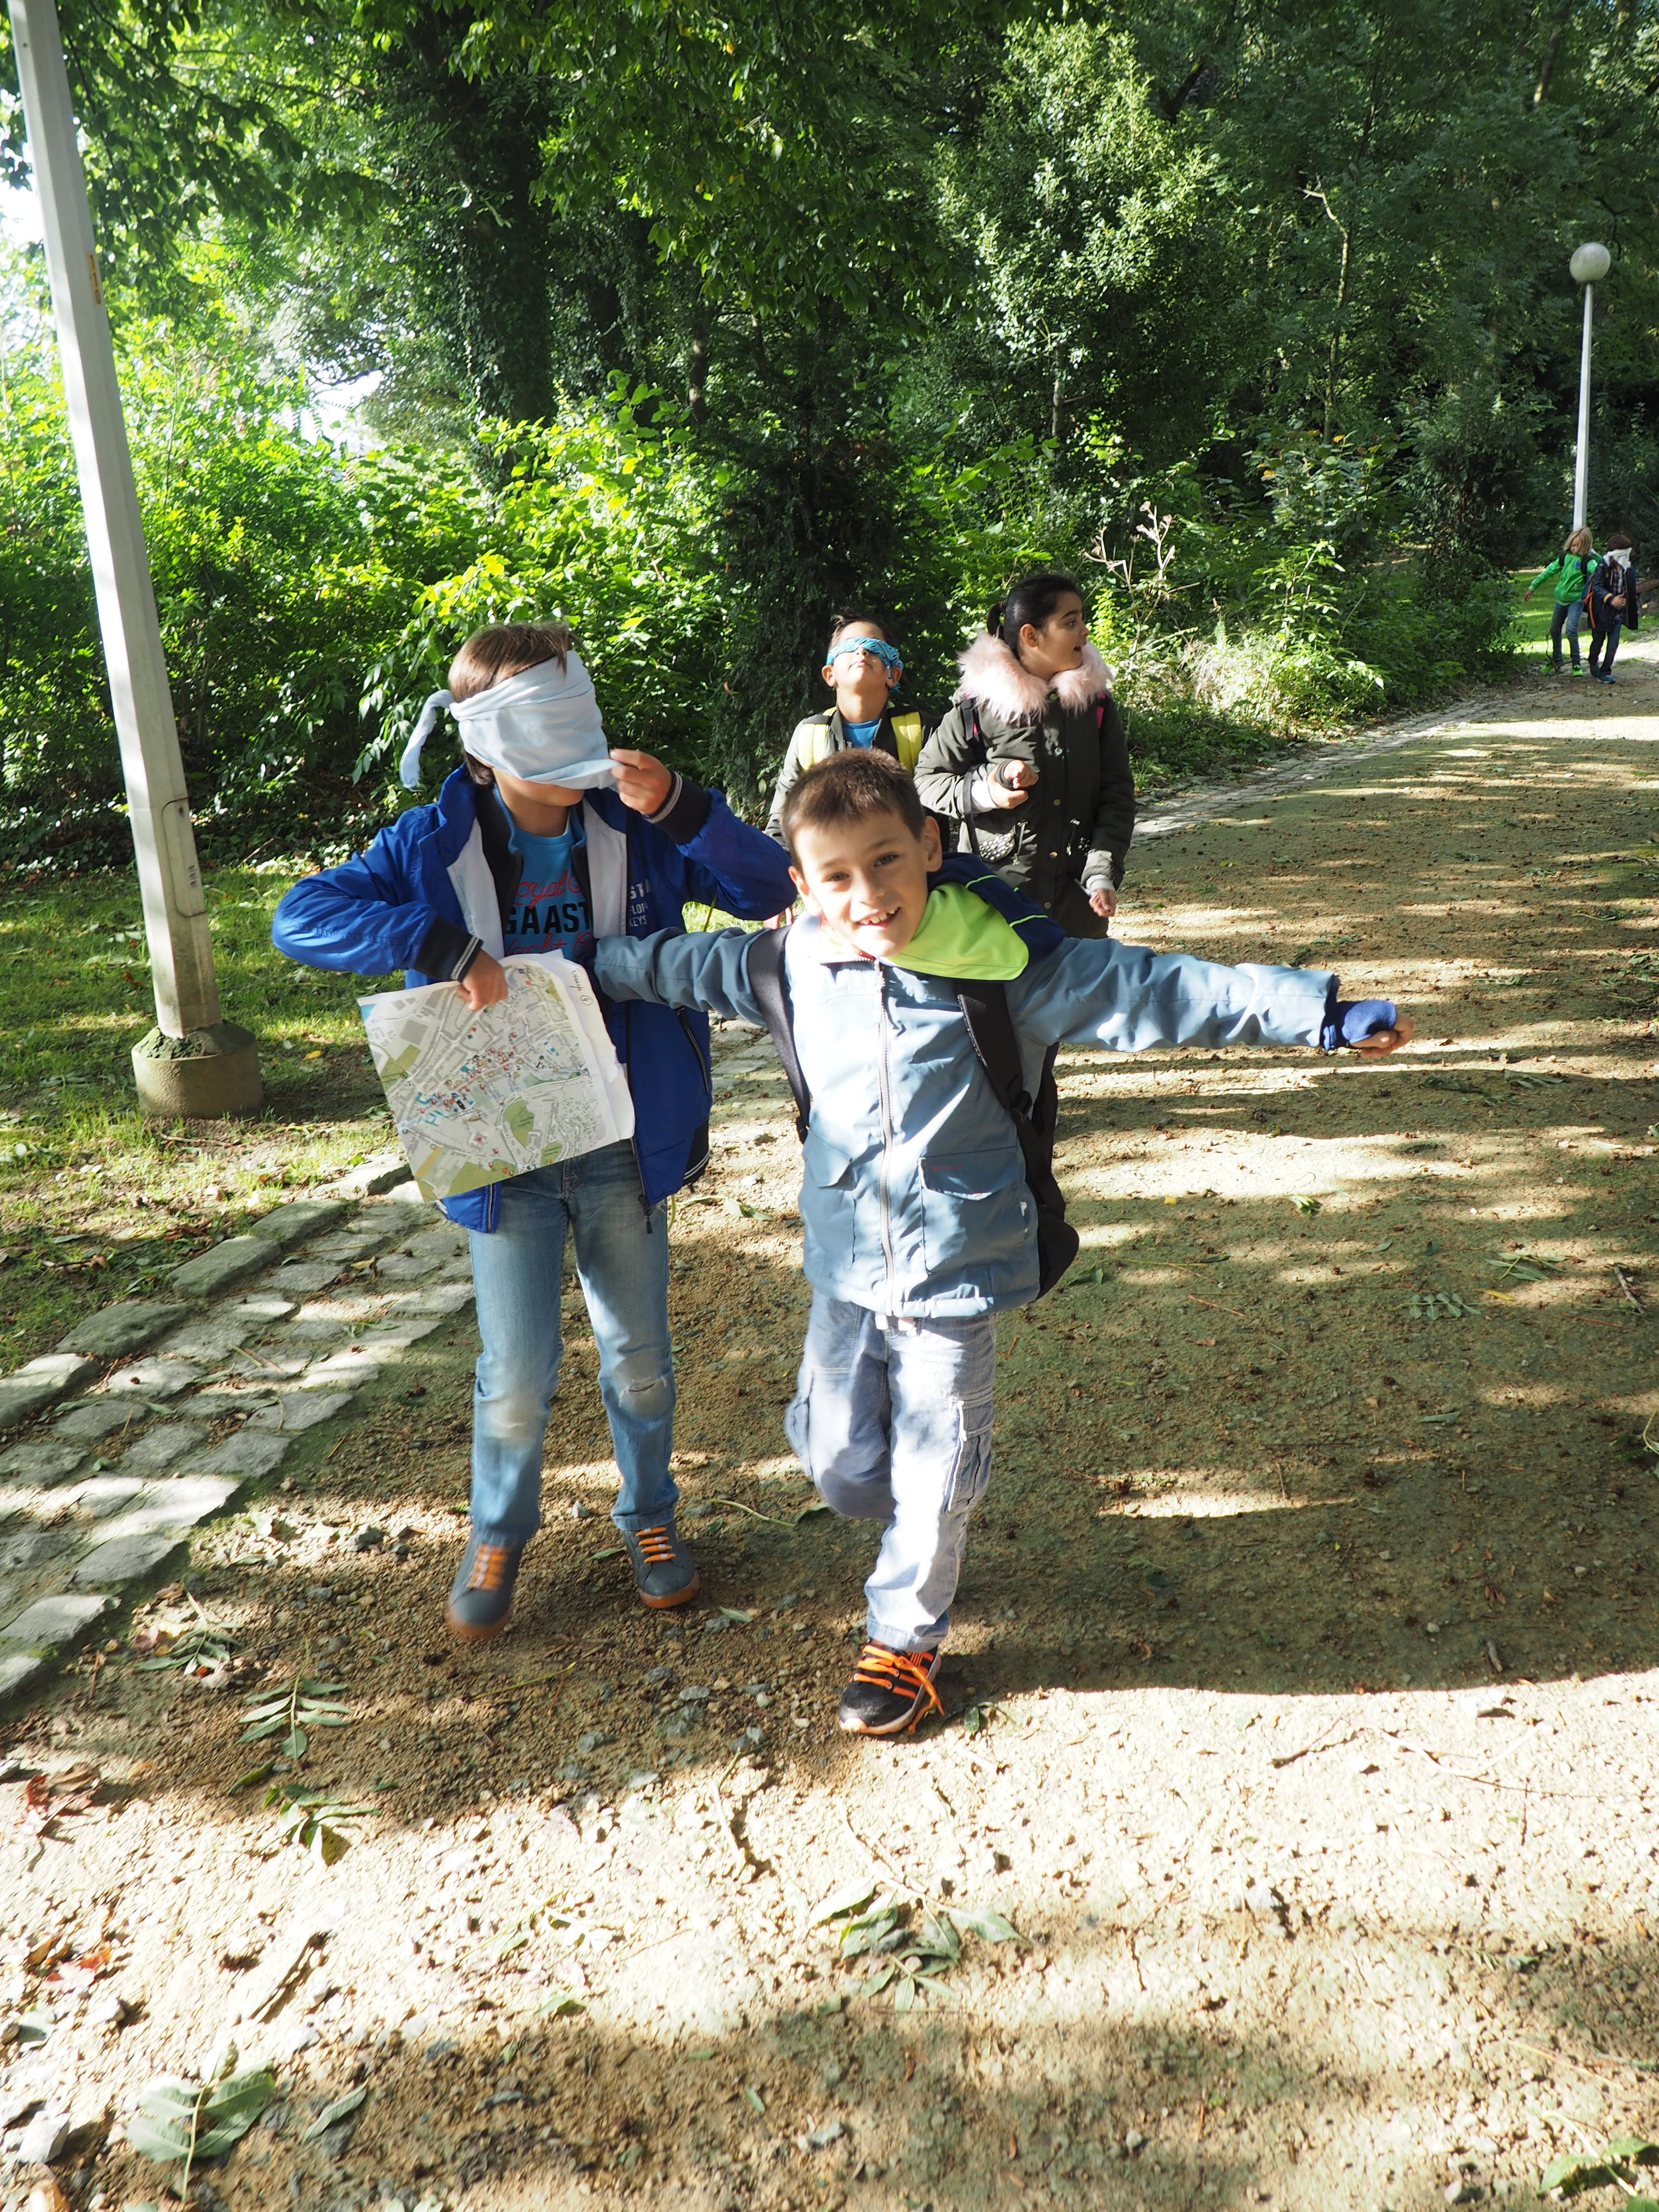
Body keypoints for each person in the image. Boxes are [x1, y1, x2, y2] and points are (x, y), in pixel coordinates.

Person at [593, 751, 1411, 1737]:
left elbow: (1162, 988)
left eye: (887, 861)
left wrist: (1318, 1014)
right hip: (844, 1269)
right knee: (840, 1465)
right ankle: (909, 1513)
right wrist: (576, 965)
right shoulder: (784, 964)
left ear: (930, 846)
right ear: (801, 885)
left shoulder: (1007, 966)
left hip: (958, 1265)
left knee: (935, 1465)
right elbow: (675, 965)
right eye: (838, 875)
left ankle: (905, 1634)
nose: (869, 894)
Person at [271, 621, 797, 1644]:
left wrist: (685, 809)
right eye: (543, 724)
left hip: (621, 1142)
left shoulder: (639, 825)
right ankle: (498, 1531)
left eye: (576, 713)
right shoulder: (430, 843)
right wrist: (431, 938)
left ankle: (650, 1513)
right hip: (502, 1152)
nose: (572, 744)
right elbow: (301, 917)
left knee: (638, 1358)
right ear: (484, 742)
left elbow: (773, 886)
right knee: (515, 1374)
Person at [914, 569, 1134, 939]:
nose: (1085, 632)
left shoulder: (1095, 705)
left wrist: (1100, 872)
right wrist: (987, 790)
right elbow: (927, 781)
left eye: (1082, 619)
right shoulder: (977, 707)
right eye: (1071, 622)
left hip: (1077, 915)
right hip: (993, 910)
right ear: (1031, 636)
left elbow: (1117, 796)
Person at [763, 613, 926, 843]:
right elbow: (782, 823)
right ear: (830, 675)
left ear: (893, 674)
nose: (862, 652)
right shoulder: (810, 734)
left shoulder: (920, 729)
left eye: (874, 647)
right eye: (849, 647)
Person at [1526, 527, 1597, 674]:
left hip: (1576, 601)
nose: (1574, 549)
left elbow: (1598, 572)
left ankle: (1576, 663)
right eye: (1573, 545)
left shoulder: (1588, 562)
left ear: (1586, 546)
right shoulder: (1565, 557)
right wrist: (1533, 586)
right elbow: (1550, 571)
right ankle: (1557, 659)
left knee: (1571, 630)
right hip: (1561, 600)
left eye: (1578, 546)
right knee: (1554, 629)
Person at [1587, 534, 1639, 685]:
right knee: (1598, 641)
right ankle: (1593, 660)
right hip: (1601, 612)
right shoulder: (1603, 567)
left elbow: (1631, 588)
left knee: (1613, 643)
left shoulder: (1629, 569)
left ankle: (1606, 671)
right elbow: (1597, 586)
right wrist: (1611, 599)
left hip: (1618, 613)